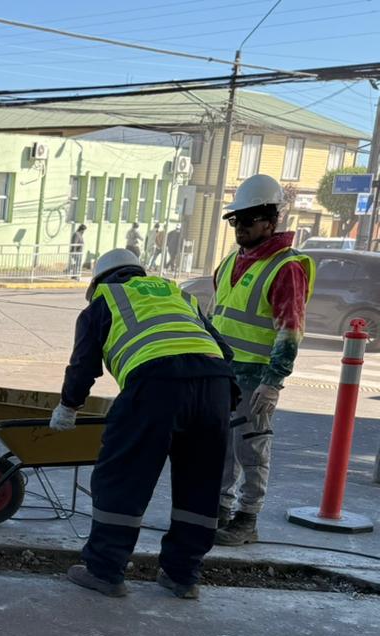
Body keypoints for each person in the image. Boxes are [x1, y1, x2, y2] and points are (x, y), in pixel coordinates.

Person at [49, 249, 235, 599]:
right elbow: (224, 351)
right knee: (201, 483)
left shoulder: (104, 301)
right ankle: (183, 576)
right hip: (215, 386)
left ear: (99, 281)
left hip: (156, 385)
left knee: (123, 476)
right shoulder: (177, 295)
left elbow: (83, 365)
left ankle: (105, 570)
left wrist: (68, 406)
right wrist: (222, 400)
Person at [211, 174, 314, 546]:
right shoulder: (231, 262)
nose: (240, 227)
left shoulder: (286, 267)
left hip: (256, 376)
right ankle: (219, 509)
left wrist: (273, 381)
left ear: (271, 221)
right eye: (235, 220)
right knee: (221, 446)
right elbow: (217, 317)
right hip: (222, 371)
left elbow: (290, 331)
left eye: (249, 219)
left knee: (252, 446)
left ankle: (247, 518)